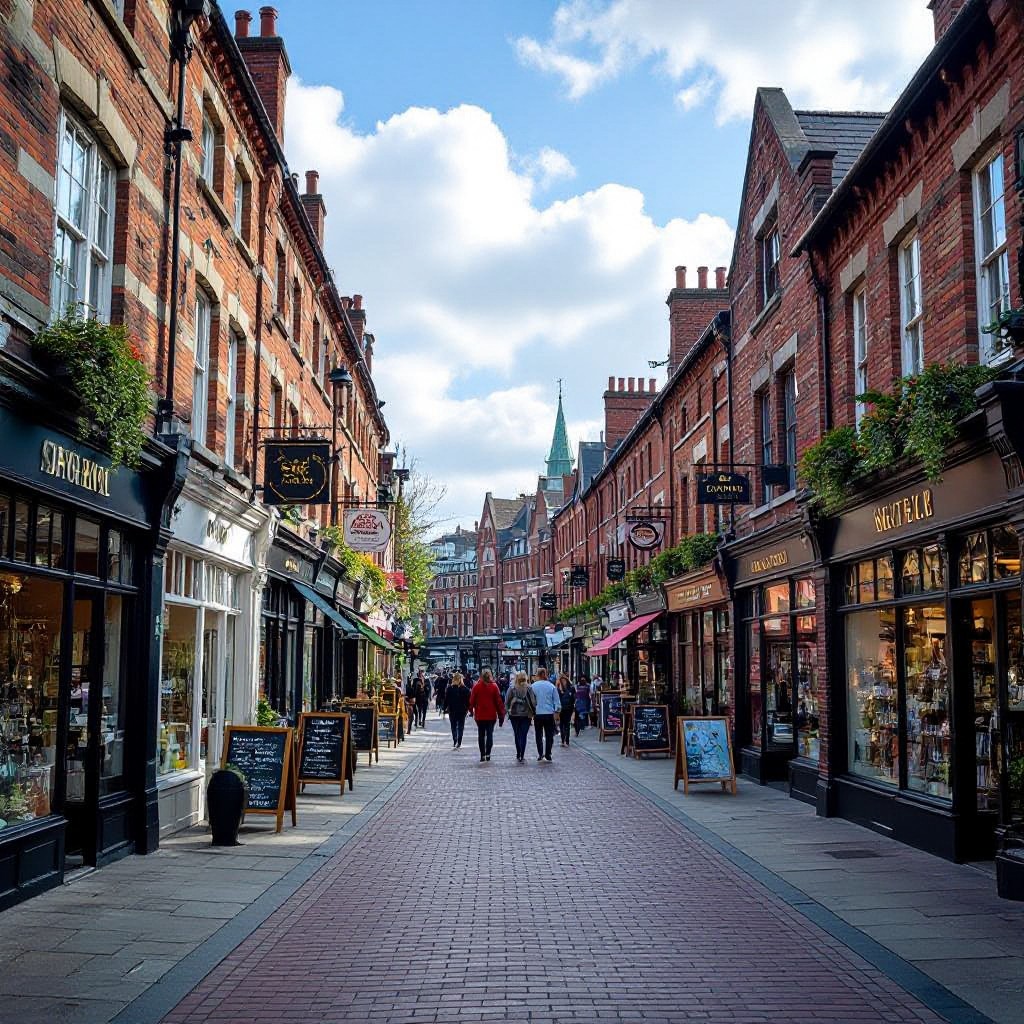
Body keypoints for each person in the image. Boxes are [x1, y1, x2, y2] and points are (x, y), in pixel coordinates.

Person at [469, 668, 504, 762]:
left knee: (481, 735)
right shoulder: (494, 686)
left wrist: (471, 711)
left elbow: (471, 701)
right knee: (489, 734)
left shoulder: (476, 687)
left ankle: (482, 755)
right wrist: (501, 715)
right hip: (491, 715)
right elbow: (498, 702)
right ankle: (488, 753)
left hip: (480, 715)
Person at [504, 670, 537, 763]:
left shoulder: (512, 688)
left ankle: (518, 752)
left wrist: (508, 711)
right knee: (524, 735)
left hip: (514, 714)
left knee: (517, 733)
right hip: (526, 715)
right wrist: (534, 711)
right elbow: (533, 702)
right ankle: (522, 753)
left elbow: (506, 701)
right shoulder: (529, 688)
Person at [531, 667, 560, 762]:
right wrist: (557, 712)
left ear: (537, 675)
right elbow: (557, 701)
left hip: (537, 713)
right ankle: (548, 753)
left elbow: (530, 701)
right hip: (549, 713)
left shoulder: (533, 686)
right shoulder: (551, 686)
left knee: (538, 734)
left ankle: (540, 753)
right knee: (549, 735)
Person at [444, 672, 470, 748]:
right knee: (461, 726)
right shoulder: (465, 689)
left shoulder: (449, 688)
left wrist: (444, 708)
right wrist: (468, 708)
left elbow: (446, 700)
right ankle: (459, 741)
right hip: (462, 710)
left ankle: (455, 739)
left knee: (453, 726)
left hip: (452, 710)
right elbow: (469, 701)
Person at [557, 674, 576, 747]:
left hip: (568, 708)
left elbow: (574, 698)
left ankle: (566, 741)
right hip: (561, 709)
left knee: (567, 724)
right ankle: (563, 740)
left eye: (564, 680)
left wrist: (573, 707)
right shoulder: (558, 689)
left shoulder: (571, 688)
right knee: (562, 725)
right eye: (562, 681)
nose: (563, 682)